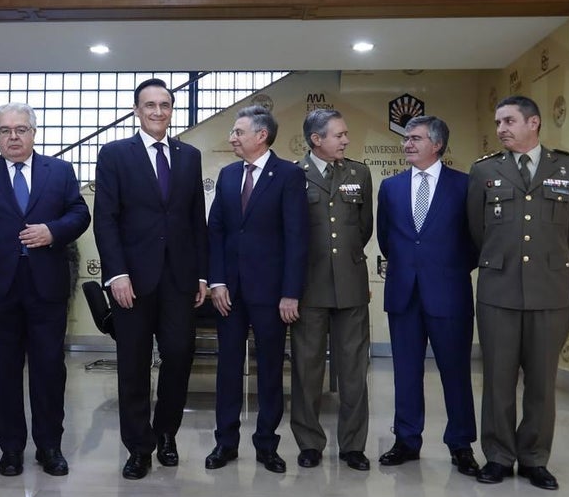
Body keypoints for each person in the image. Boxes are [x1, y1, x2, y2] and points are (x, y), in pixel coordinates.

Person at [0, 102, 91, 477]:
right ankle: (10, 447)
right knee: (2, 370)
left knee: (49, 369)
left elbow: (80, 214)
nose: (13, 137)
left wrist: (53, 231)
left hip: (46, 286)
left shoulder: (59, 171)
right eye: (5, 131)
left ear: (33, 132)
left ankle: (49, 446)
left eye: (20, 129)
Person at [467, 95, 569, 490]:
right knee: (498, 379)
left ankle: (535, 458)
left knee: (541, 381)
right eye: (498, 121)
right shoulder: (484, 170)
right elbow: (477, 230)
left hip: (549, 291)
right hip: (498, 289)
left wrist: (541, 260)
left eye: (509, 120)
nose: (501, 128)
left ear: (534, 123)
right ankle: (499, 456)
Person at [93, 78, 208, 480]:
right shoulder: (114, 154)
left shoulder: (190, 156)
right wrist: (116, 275)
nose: (158, 111)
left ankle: (166, 434)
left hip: (179, 277)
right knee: (134, 364)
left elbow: (197, 220)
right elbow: (105, 219)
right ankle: (138, 447)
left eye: (165, 104)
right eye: (150, 105)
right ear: (136, 111)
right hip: (132, 281)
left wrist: (202, 275)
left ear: (172, 109)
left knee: (179, 356)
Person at [205, 105, 308, 473]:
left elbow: (297, 237)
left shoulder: (289, 176)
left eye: (238, 132)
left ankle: (266, 444)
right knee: (228, 369)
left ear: (260, 135)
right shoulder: (229, 175)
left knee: (269, 370)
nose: (232, 137)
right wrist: (216, 281)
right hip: (229, 293)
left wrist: (290, 292)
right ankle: (225, 443)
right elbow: (215, 230)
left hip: (272, 293)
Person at [376, 116, 480, 476]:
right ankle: (406, 439)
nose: (408, 144)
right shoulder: (390, 187)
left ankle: (461, 443)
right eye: (406, 138)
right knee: (405, 372)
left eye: (416, 138)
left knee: (455, 371)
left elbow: (475, 241)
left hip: (449, 292)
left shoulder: (464, 186)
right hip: (404, 293)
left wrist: (445, 268)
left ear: (437, 144)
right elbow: (387, 239)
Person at [292, 109, 374, 472]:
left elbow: (364, 228)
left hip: (351, 286)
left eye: (345, 134)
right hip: (309, 287)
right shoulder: (293, 175)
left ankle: (353, 445)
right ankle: (309, 443)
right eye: (338, 135)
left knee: (354, 371)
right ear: (316, 140)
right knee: (307, 371)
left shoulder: (359, 173)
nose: (345, 140)